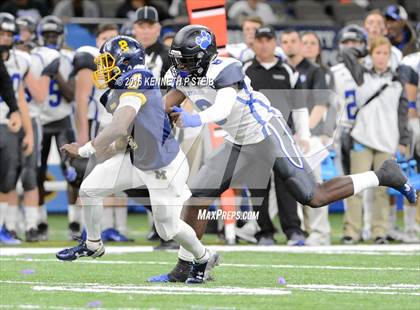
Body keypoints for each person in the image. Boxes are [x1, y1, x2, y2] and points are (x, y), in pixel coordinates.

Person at [149, 25, 416, 283]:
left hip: (267, 133)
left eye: (186, 60)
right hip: (239, 140)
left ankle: (384, 175)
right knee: (197, 198)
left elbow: (223, 107)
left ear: (204, 57)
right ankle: (187, 267)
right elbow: (166, 104)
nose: (180, 66)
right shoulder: (181, 75)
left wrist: (194, 120)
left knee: (313, 196)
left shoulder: (226, 68)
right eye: (178, 60)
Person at [56, 35, 219, 284]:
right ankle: (93, 243)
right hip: (137, 159)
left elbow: (121, 126)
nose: (102, 68)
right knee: (90, 189)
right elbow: (124, 139)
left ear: (126, 63)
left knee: (169, 229)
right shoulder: (113, 94)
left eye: (108, 62)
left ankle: (203, 256)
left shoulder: (138, 78)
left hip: (164, 167)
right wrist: (103, 152)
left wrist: (87, 149)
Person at [243, 25, 307, 246]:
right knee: (257, 186)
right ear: (254, 43)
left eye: (268, 40)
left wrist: (303, 135)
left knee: (288, 184)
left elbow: (299, 107)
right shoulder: (244, 70)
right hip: (254, 137)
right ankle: (264, 232)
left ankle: (293, 231)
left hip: (283, 137)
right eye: (259, 40)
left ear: (274, 43)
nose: (263, 44)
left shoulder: (288, 70)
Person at [343, 36, 410, 245]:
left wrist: (404, 140)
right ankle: (351, 232)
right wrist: (365, 50)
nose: (382, 57)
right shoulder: (362, 74)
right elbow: (346, 54)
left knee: (382, 190)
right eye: (378, 53)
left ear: (391, 56)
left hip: (387, 141)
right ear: (372, 55)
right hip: (362, 137)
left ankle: (379, 232)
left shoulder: (398, 80)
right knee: (355, 188)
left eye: (385, 53)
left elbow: (402, 112)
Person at [0, 13, 59, 242]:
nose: (4, 38)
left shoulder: (21, 60)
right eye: (1, 33)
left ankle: (18, 226)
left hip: (13, 123)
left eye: (7, 34)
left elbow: (24, 98)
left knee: (15, 177)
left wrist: (30, 133)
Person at [72, 23, 131, 241]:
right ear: (97, 40)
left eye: (113, 37)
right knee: (98, 177)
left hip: (124, 124)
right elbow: (82, 100)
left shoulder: (128, 63)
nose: (108, 41)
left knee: (122, 178)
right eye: (104, 37)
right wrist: (83, 136)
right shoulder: (93, 61)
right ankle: (98, 227)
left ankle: (120, 228)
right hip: (104, 126)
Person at [36, 16, 76, 241]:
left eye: (54, 35)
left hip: (62, 119)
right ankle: (39, 223)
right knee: (37, 174)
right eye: (47, 35)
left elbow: (70, 95)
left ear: (61, 36)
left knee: (72, 173)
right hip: (40, 121)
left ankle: (75, 222)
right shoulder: (32, 58)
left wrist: (56, 72)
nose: (51, 39)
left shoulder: (69, 57)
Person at [300, 31, 336, 246]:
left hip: (315, 136)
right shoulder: (292, 70)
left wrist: (327, 134)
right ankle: (304, 230)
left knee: (317, 185)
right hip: (295, 135)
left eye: (313, 43)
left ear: (319, 49)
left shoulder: (326, 73)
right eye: (305, 43)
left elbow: (332, 106)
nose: (309, 47)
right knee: (297, 185)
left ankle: (321, 231)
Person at [132, 6, 171, 79]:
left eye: (150, 26)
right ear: (134, 29)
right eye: (141, 27)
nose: (146, 31)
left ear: (159, 30)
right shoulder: (125, 54)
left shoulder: (169, 55)